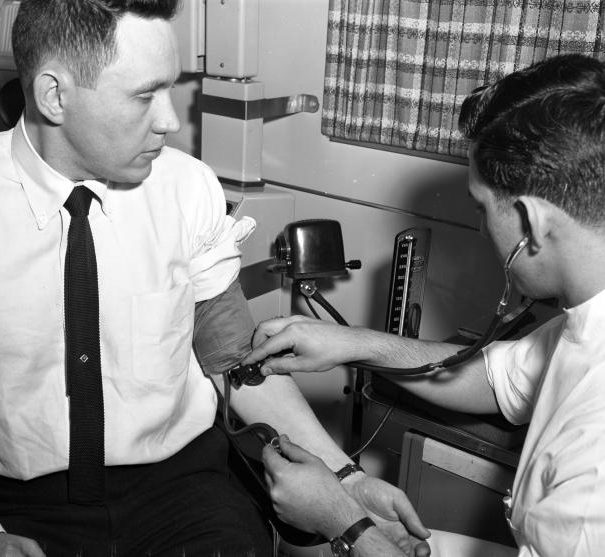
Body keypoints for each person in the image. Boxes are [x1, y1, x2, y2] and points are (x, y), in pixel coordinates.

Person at [0, 1, 431, 556]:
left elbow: (235, 362)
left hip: (179, 496)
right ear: (54, 96)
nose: (171, 120)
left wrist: (348, 481)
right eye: (144, 94)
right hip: (5, 505)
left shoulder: (187, 188)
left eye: (171, 89)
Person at [244, 53, 605, 557]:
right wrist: (349, 344)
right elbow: (495, 380)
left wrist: (347, 527)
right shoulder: (589, 320)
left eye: (482, 209)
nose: (481, 229)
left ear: (532, 222)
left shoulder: (595, 462)